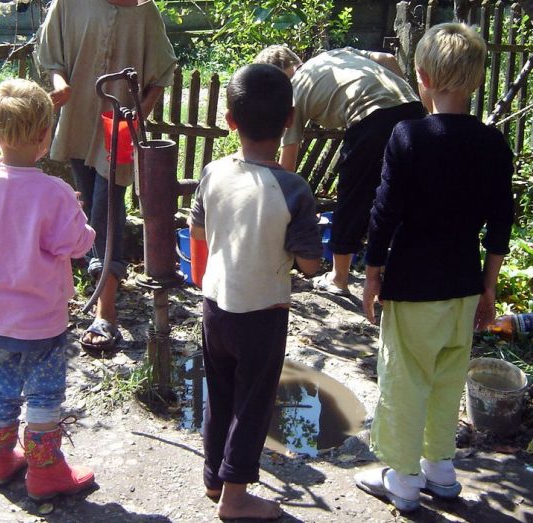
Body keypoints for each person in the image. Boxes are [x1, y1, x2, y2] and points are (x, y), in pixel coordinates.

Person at [354, 23, 514, 512]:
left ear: (421, 76)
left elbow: (384, 213)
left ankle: (403, 480)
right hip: (464, 286)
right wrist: (488, 288)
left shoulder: (408, 136)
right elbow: (501, 222)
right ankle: (441, 470)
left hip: (413, 287)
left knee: (405, 381)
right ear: (477, 79)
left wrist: (372, 274)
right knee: (447, 380)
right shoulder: (492, 142)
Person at [188, 64, 322, 520]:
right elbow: (310, 264)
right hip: (263, 313)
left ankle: (214, 477)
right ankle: (235, 497)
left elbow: (198, 231)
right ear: (289, 120)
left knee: (220, 393)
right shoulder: (294, 189)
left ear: (230, 120)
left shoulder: (212, 172)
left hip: (214, 305)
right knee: (253, 404)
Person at [0, 79, 97, 499]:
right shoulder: (54, 192)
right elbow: (77, 245)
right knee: (44, 394)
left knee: (1, 388)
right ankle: (45, 472)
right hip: (41, 321)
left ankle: (0, 460)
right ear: (44, 133)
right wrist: (77, 214)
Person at [37, 0, 177, 351]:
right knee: (90, 207)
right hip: (79, 119)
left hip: (120, 128)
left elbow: (162, 72)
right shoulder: (69, 5)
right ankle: (102, 280)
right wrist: (60, 84)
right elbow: (52, 56)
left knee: (107, 207)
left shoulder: (145, 13)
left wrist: (139, 113)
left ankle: (106, 310)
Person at [255, 43, 425, 296]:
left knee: (352, 197)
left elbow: (287, 168)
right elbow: (388, 58)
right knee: (401, 194)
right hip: (412, 108)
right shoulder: (335, 56)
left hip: (371, 118)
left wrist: (279, 208)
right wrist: (403, 100)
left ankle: (338, 278)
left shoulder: (293, 92)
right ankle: (402, 272)